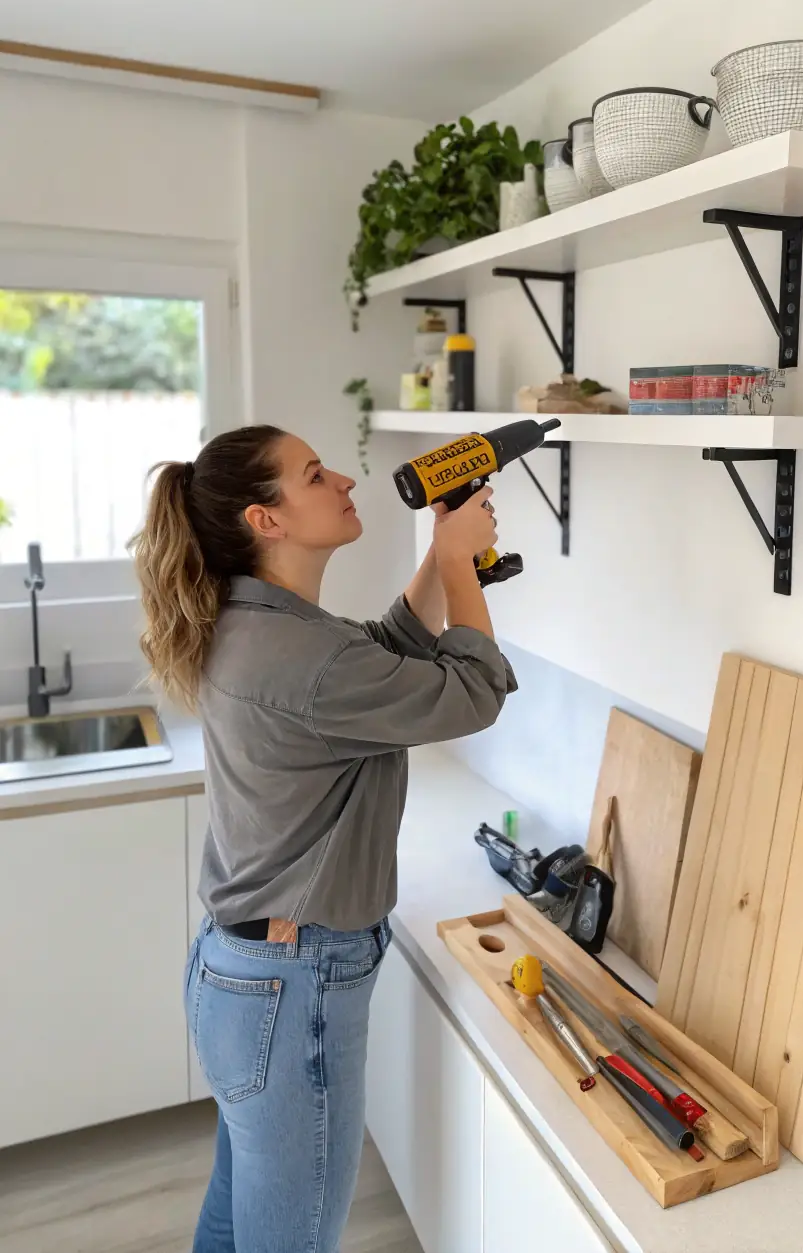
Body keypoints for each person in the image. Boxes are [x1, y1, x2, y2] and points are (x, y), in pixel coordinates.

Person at [130, 423, 516, 1253]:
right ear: (265, 519)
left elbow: (378, 655)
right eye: (312, 474)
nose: (342, 478)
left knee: (237, 1221)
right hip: (291, 985)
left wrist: (437, 558)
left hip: (244, 975)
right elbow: (473, 692)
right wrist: (459, 566)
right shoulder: (296, 656)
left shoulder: (264, 622)